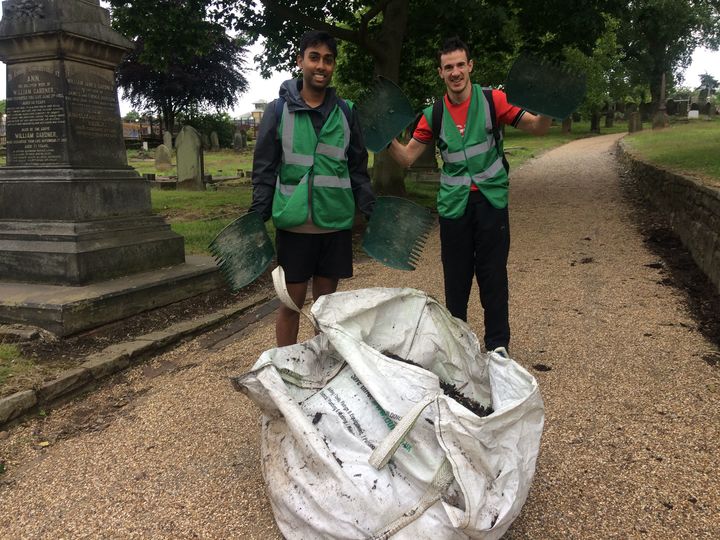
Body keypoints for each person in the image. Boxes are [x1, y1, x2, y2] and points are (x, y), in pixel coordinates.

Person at [388, 36, 551, 357]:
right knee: (456, 279)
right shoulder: (433, 114)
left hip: (491, 203)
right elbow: (407, 158)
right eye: (449, 67)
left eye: (460, 65)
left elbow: (538, 128)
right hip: (453, 208)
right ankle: (458, 346)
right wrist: (382, 137)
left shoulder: (494, 101)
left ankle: (498, 346)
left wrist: (548, 107)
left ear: (470, 66)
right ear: (440, 72)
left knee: (493, 275)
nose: (455, 72)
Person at [250, 30, 375, 346]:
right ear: (300, 61)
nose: (321, 65)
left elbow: (357, 168)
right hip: (295, 227)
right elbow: (264, 169)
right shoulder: (278, 111)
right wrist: (257, 214)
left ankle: (319, 370)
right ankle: (286, 370)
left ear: (333, 66)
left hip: (334, 225)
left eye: (328, 60)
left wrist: (370, 207)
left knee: (325, 309)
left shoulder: (346, 112)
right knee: (291, 303)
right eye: (314, 57)